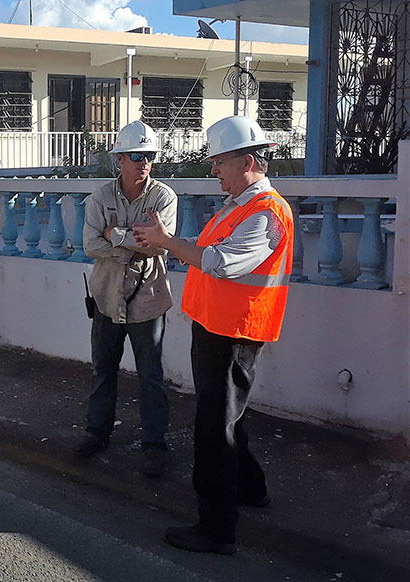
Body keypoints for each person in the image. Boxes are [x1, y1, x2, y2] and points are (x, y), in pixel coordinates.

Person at [132, 116, 294, 555]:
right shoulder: (239, 204)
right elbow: (206, 254)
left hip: (234, 332)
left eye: (219, 161)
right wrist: (168, 242)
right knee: (226, 420)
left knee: (213, 429)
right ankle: (251, 489)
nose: (214, 170)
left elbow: (223, 263)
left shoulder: (267, 212)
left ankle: (216, 530)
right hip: (217, 328)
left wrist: (167, 242)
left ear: (247, 160)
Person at [73, 121, 177, 478]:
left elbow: (159, 242)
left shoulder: (164, 197)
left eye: (149, 156)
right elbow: (90, 245)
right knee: (103, 369)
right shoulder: (100, 197)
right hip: (105, 296)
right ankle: (97, 432)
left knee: (151, 374)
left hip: (148, 299)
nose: (144, 162)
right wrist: (131, 246)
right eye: (137, 155)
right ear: (119, 158)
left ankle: (155, 444)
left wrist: (113, 235)